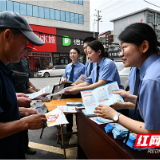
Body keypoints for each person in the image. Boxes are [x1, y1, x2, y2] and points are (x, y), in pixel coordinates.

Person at [94, 23, 160, 134]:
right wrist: (129, 97)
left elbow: (153, 132)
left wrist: (114, 115)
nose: (120, 54)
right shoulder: (141, 69)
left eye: (124, 48)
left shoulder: (151, 79)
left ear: (144, 47)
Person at [0, 11, 47, 160]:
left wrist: (19, 108)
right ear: (7, 36)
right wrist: (25, 123)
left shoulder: (5, 67)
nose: (25, 50)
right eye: (24, 43)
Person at [61, 47, 85, 132]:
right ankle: (69, 129)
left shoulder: (83, 67)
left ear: (78, 55)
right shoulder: (68, 66)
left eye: (74, 53)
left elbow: (85, 79)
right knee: (67, 110)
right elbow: (64, 76)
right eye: (71, 53)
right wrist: (63, 79)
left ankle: (80, 131)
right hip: (67, 87)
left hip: (77, 89)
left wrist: (77, 87)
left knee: (78, 110)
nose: (72, 55)